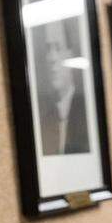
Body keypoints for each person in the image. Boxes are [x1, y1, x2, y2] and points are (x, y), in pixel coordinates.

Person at [37, 20, 89, 156]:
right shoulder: (43, 120)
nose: (52, 58)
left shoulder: (87, 111)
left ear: (71, 54)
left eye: (58, 48)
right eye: (48, 49)